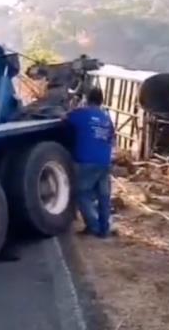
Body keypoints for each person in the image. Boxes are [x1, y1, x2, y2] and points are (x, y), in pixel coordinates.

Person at [65, 87, 115, 238]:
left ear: (87, 99)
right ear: (102, 101)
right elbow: (111, 138)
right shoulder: (106, 118)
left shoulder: (81, 114)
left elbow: (64, 119)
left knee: (82, 194)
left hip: (86, 161)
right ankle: (104, 230)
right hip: (105, 162)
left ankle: (93, 226)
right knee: (104, 197)